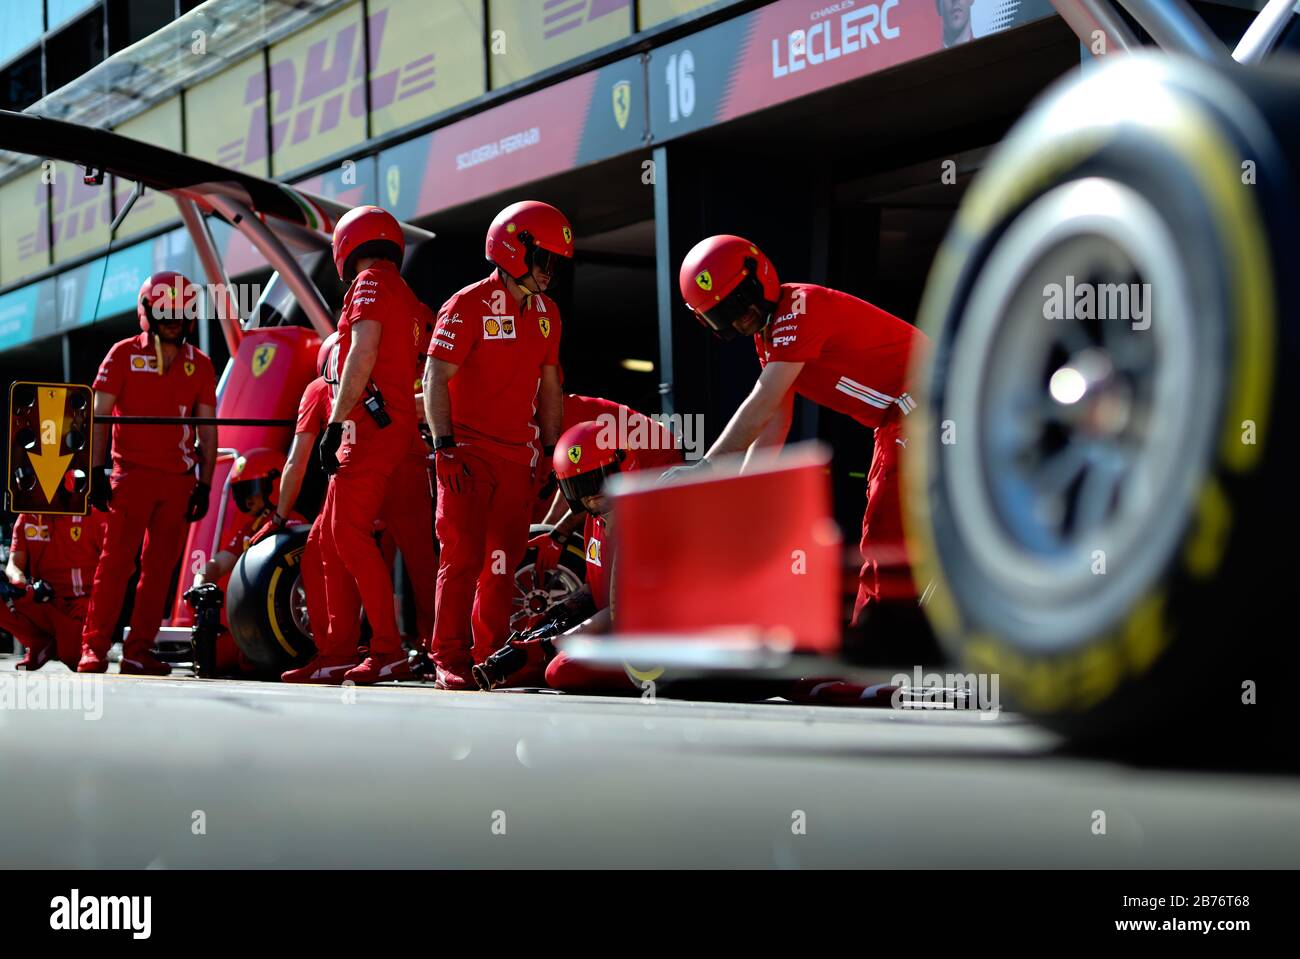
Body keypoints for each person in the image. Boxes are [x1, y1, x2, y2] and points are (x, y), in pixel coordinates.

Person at [668, 235, 926, 627]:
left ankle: (880, 654)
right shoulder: (769, 335)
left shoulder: (800, 309)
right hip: (907, 414)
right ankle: (888, 645)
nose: (739, 319)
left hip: (930, 403)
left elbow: (764, 400)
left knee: (885, 530)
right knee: (893, 527)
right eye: (724, 316)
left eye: (740, 303)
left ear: (759, 278)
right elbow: (775, 420)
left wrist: (707, 468)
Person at [421, 200, 569, 689]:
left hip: (516, 458)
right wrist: (443, 447)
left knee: (501, 564)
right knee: (460, 557)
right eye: (543, 260)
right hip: (464, 452)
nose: (549, 273)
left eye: (555, 263)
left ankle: (490, 657)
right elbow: (435, 376)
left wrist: (552, 452)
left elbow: (550, 385)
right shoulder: (466, 305)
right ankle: (447, 658)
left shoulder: (549, 314)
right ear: (512, 250)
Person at [302, 205, 424, 685]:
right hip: (390, 432)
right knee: (328, 539)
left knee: (349, 536)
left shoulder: (370, 283)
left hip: (370, 433)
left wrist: (333, 422)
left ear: (345, 246)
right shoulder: (407, 294)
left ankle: (387, 649)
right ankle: (336, 651)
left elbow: (363, 351)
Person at [280, 327, 438, 684]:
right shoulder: (394, 381)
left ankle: (351, 649)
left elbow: (297, 461)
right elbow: (435, 396)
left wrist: (278, 515)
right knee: (420, 562)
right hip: (401, 464)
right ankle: (435, 648)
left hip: (362, 468)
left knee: (328, 551)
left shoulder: (321, 389)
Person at [79, 271, 217, 676]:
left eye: (181, 312)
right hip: (129, 477)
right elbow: (98, 418)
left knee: (159, 572)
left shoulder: (202, 365)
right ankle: (94, 649)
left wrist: (205, 484)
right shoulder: (121, 354)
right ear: (147, 312)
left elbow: (208, 431)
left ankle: (138, 651)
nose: (173, 319)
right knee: (115, 565)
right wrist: (96, 471)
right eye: (165, 311)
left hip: (178, 483)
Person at [530, 394, 682, 582]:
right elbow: (572, 482)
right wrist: (549, 529)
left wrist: (557, 533)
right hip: (620, 466)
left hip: (656, 472)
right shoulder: (562, 417)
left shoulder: (567, 421)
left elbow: (590, 487)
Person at [182, 448, 304, 676]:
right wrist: (200, 584)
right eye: (241, 491)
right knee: (209, 655)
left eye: (251, 489)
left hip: (286, 626)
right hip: (254, 625)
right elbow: (218, 563)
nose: (246, 498)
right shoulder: (251, 528)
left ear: (274, 484)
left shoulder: (296, 525)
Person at [1, 512, 106, 670]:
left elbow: (119, 566)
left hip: (78, 606)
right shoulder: (27, 516)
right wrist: (20, 584)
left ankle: (58, 644)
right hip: (42, 597)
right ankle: (39, 643)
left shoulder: (90, 513)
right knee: (7, 591)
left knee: (72, 657)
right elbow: (13, 565)